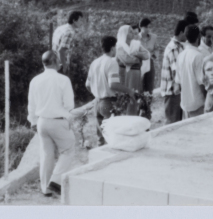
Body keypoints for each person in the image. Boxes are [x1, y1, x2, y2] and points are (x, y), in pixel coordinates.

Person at [27, 51, 75, 196]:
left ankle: (45, 188)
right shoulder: (63, 79)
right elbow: (69, 105)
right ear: (55, 62)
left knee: (46, 154)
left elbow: (31, 104)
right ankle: (55, 182)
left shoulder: (35, 80)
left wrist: (33, 121)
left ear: (44, 63)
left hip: (42, 121)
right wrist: (69, 118)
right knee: (68, 150)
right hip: (58, 121)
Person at [85, 36, 135, 145]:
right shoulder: (112, 62)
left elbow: (87, 84)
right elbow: (113, 85)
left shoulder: (95, 62)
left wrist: (97, 93)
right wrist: (129, 91)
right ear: (112, 48)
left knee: (101, 139)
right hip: (108, 103)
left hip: (97, 103)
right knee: (112, 138)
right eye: (115, 47)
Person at [115, 25, 150, 115]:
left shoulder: (136, 44)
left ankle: (133, 115)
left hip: (136, 74)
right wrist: (138, 59)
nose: (133, 33)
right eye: (130, 31)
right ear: (124, 34)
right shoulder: (119, 46)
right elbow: (127, 60)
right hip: (125, 75)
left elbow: (147, 55)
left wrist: (137, 53)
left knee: (134, 96)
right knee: (126, 96)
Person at [160, 19, 188, 124]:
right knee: (173, 124)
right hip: (172, 92)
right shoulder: (174, 48)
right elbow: (177, 71)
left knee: (177, 123)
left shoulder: (180, 46)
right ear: (181, 32)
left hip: (176, 92)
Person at [175, 24, 207, 118]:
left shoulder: (181, 55)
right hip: (198, 105)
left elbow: (178, 82)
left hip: (185, 105)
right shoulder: (198, 56)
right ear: (199, 37)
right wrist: (207, 101)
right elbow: (202, 83)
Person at [138, 18, 158, 93]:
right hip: (139, 63)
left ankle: (148, 102)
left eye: (149, 27)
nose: (148, 29)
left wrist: (154, 56)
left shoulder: (154, 37)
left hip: (150, 62)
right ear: (141, 27)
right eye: (146, 27)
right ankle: (140, 102)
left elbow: (156, 48)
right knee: (140, 85)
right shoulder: (136, 38)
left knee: (149, 85)